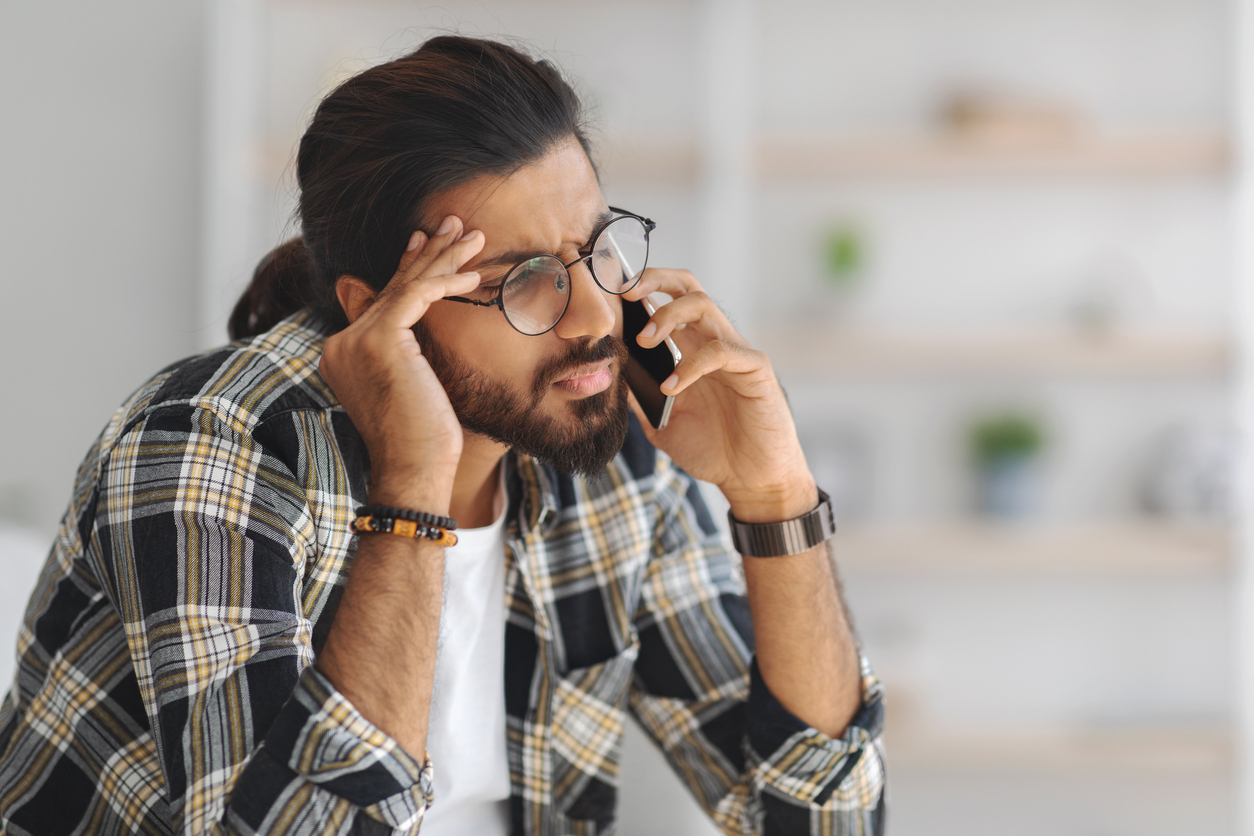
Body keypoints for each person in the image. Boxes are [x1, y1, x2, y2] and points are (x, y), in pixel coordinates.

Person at [0, 36, 884, 836]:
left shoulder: (603, 447)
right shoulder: (206, 449)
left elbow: (821, 823)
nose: (594, 314)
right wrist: (415, 484)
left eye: (595, 248)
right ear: (379, 311)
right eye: (522, 279)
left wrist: (775, 499)